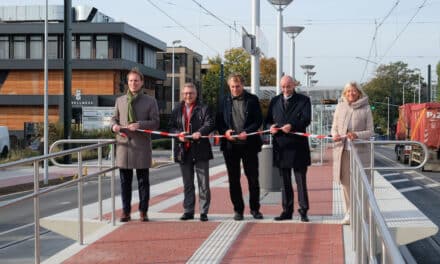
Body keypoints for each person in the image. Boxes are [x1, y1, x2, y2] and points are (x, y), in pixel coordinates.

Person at [111, 68, 160, 222]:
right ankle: (126, 211)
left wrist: (139, 124)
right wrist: (113, 126)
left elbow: (156, 122)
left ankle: (143, 211)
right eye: (131, 80)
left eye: (136, 81)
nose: (133, 83)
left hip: (141, 146)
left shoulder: (150, 101)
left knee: (143, 181)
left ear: (142, 83)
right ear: (128, 82)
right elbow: (113, 119)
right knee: (125, 182)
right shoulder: (120, 100)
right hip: (124, 146)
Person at [216, 72, 264, 221]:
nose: (235, 89)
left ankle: (255, 209)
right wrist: (225, 132)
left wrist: (247, 132)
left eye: (237, 86)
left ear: (243, 85)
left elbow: (258, 120)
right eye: (232, 87)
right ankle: (238, 210)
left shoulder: (252, 100)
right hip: (230, 146)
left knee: (253, 178)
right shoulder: (223, 100)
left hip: (249, 144)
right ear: (229, 86)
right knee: (233, 179)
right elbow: (218, 121)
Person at [265, 75, 311, 222]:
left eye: (288, 86)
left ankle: (303, 210)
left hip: (298, 147)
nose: (286, 89)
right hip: (281, 147)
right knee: (284, 182)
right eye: (283, 86)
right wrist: (269, 127)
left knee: (301, 181)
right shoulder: (274, 101)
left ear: (294, 86)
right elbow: (267, 121)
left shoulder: (304, 100)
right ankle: (287, 211)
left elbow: (306, 119)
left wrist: (292, 125)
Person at [168, 83, 215, 222]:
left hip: (200, 149)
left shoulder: (204, 108)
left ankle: (203, 211)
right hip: (184, 150)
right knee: (187, 183)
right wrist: (178, 134)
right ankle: (188, 210)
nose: (188, 96)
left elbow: (210, 123)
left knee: (203, 183)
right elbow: (170, 127)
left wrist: (200, 132)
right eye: (186, 93)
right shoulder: (177, 109)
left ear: (196, 94)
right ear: (183, 94)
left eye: (191, 93)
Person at [331, 81, 373, 225]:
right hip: (343, 152)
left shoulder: (366, 108)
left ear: (359, 93)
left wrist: (357, 134)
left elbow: (370, 131)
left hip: (360, 153)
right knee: (346, 184)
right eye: (348, 91)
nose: (351, 94)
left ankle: (363, 214)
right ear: (345, 93)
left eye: (354, 91)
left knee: (362, 184)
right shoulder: (340, 107)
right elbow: (334, 127)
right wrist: (335, 135)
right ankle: (348, 213)